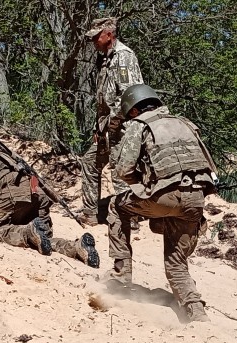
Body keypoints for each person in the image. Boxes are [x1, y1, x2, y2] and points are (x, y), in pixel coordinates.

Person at [107, 84, 217, 323]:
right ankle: (195, 311)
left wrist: (143, 187)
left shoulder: (139, 125)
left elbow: (123, 168)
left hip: (166, 196)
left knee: (116, 206)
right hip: (197, 198)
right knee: (177, 262)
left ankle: (120, 277)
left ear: (133, 111)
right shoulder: (183, 122)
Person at [0, 123, 99, 266]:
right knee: (43, 239)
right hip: (37, 192)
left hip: (14, 191)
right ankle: (77, 248)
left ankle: (28, 233)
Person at [78, 16, 144, 226]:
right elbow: (104, 98)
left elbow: (129, 96)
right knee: (90, 162)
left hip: (124, 126)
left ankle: (129, 217)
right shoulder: (106, 58)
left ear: (109, 34)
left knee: (121, 172)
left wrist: (112, 124)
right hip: (108, 127)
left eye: (96, 37)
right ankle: (90, 213)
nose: (94, 41)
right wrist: (100, 126)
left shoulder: (123, 56)